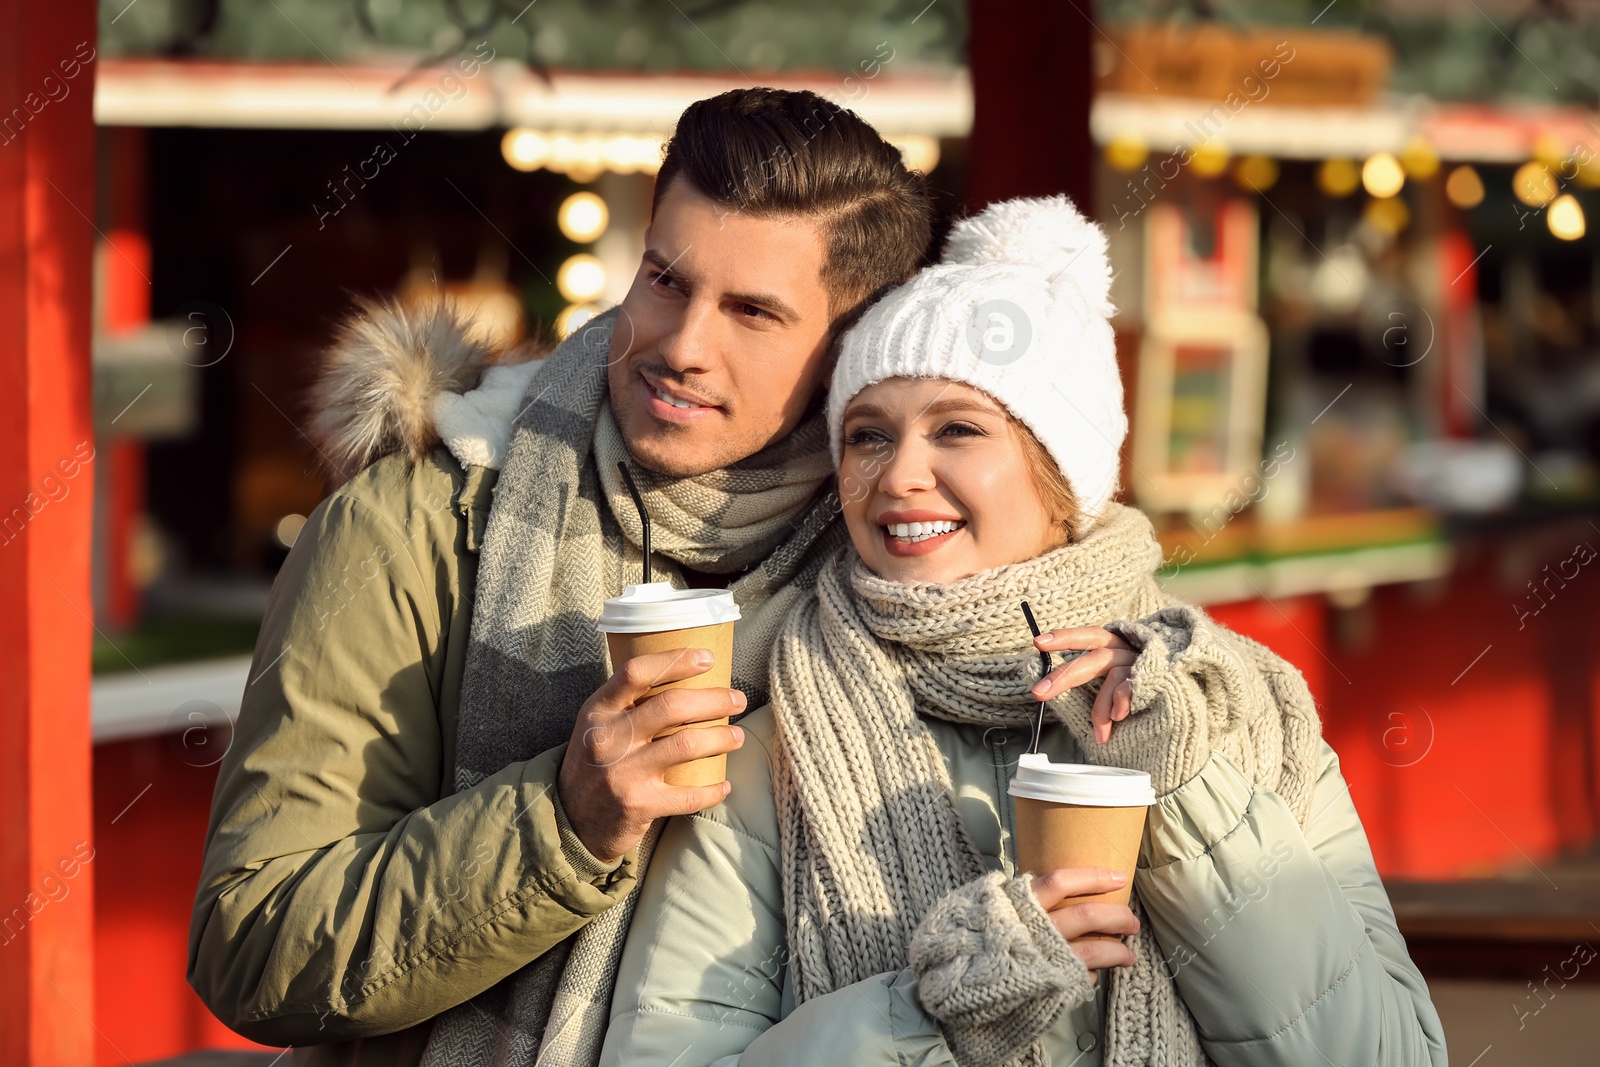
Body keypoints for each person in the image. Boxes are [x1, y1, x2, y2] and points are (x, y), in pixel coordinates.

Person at [596, 196, 1450, 1066]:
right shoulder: (765, 748)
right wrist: (933, 1009)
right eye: (866, 435)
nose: (900, 473)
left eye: (957, 428)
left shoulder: (1240, 706)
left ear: (1059, 473)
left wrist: (1186, 789)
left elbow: (1389, 1056)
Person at [185, 88, 934, 1067]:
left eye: (751, 311)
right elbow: (255, 940)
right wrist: (563, 819)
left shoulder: (895, 552)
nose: (681, 344)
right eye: (665, 279)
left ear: (850, 348)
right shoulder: (414, 521)